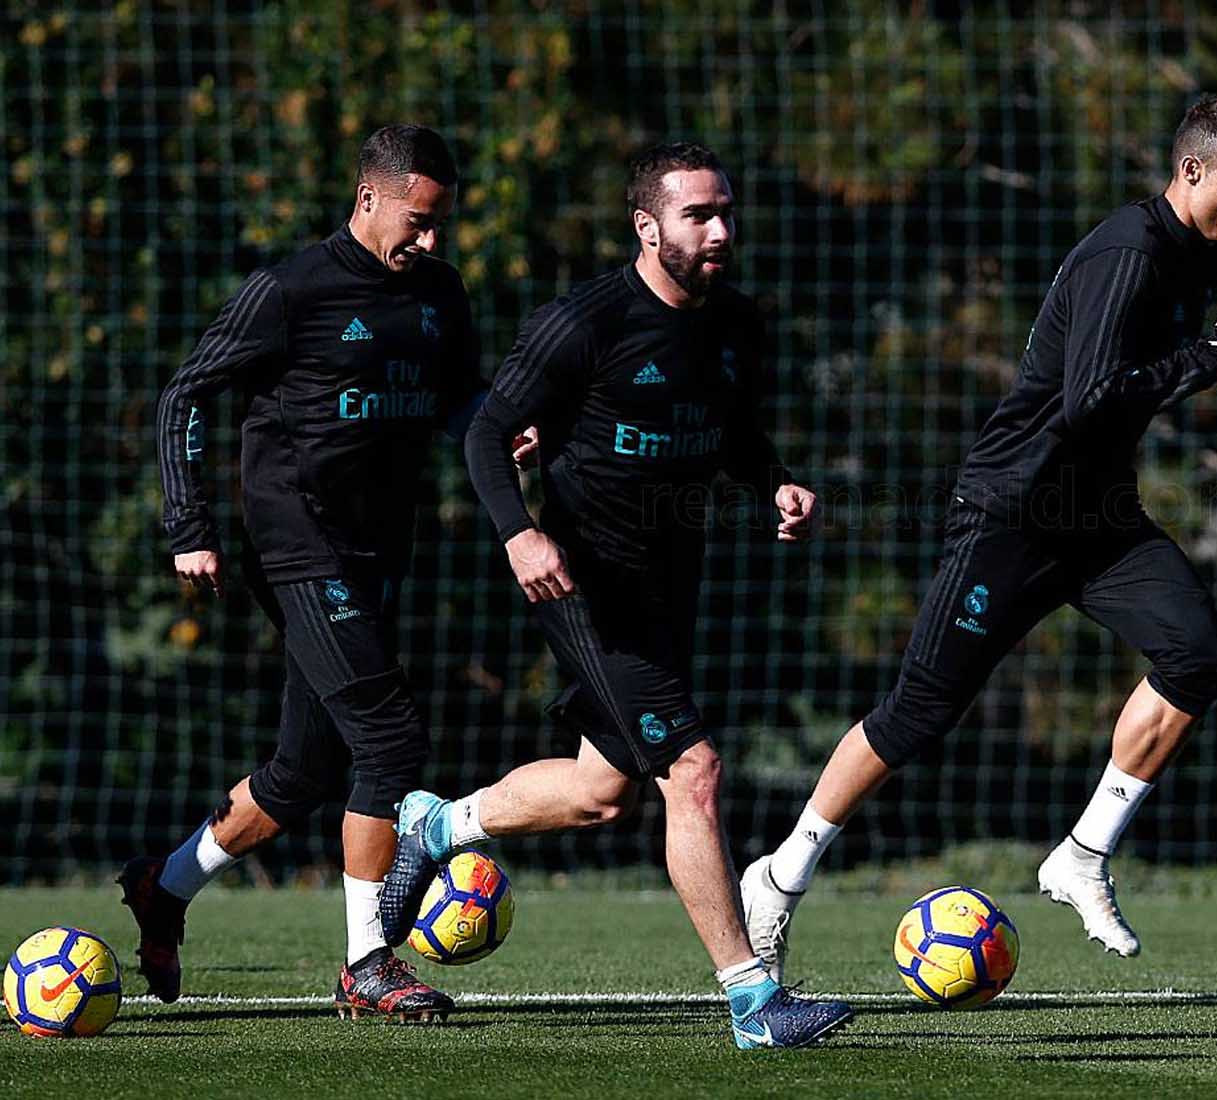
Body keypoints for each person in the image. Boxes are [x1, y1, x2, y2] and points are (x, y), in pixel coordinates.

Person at [737, 97, 1217, 980]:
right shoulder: (1130, 254)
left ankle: (1083, 856)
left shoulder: (1205, 256)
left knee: (1199, 656)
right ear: (1190, 172)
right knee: (919, 711)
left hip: (1099, 519)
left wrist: (1191, 363)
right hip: (1014, 513)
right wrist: (1205, 360)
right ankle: (780, 876)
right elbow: (1090, 400)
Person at [379, 143, 852, 1050]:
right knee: (694, 772)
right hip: (585, 584)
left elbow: (732, 430)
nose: (720, 231)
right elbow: (485, 434)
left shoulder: (736, 323)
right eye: (697, 215)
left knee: (604, 793)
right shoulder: (583, 323)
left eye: (726, 212)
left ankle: (441, 823)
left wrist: (775, 484)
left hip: (669, 586)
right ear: (647, 227)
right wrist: (520, 533)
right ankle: (753, 1001)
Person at [127, 124, 524, 1021]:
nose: (431, 240)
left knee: (303, 771)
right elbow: (185, 391)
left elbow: (460, 397)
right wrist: (189, 524)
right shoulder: (291, 290)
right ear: (369, 197)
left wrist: (499, 429)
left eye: (442, 223)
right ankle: (366, 964)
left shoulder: (440, 292)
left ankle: (165, 884)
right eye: (418, 221)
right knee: (389, 742)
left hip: (380, 550)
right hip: (295, 544)